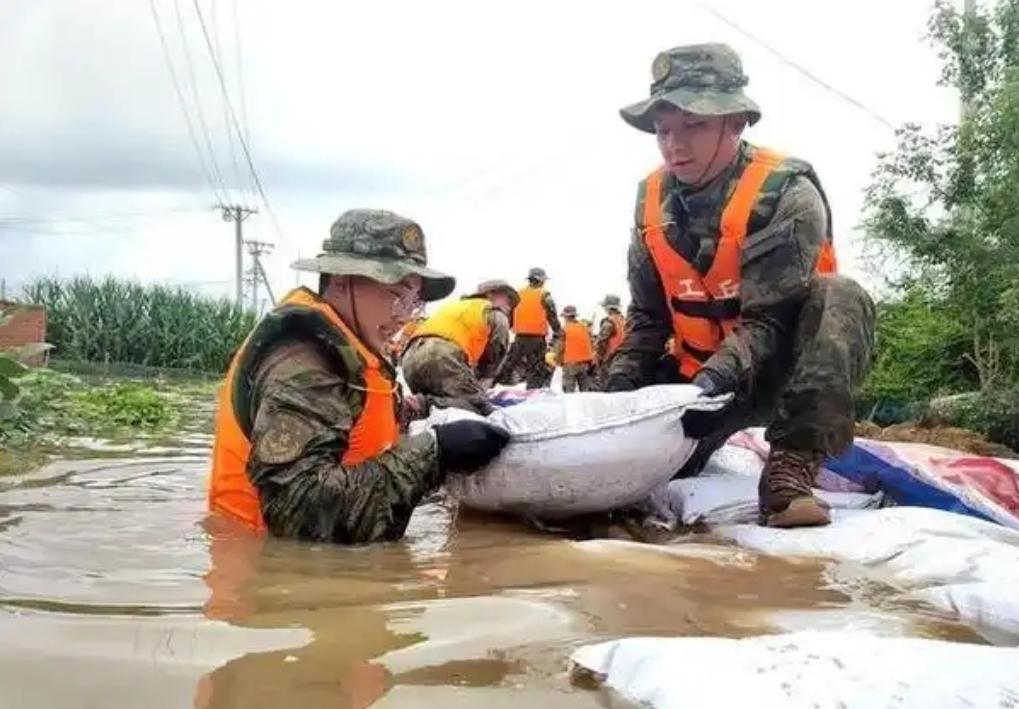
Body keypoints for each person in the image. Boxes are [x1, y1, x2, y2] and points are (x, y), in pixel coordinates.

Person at [608, 43, 876, 528]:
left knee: (840, 295)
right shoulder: (649, 198)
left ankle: (789, 471)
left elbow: (768, 321)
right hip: (695, 378)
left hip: (775, 372)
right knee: (628, 483)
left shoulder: (787, 192)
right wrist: (613, 400)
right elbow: (647, 321)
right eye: (664, 129)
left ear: (735, 123)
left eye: (695, 125)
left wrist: (705, 390)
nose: (675, 145)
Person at [208, 209, 510, 543]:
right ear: (342, 281)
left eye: (414, 300)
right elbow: (302, 513)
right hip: (267, 573)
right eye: (396, 295)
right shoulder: (304, 363)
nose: (403, 316)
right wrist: (435, 453)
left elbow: (359, 421)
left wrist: (427, 409)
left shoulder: (352, 349)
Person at [401, 279, 518, 415]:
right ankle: (415, 405)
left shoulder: (455, 306)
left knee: (441, 401)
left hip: (410, 357)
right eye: (508, 298)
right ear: (490, 294)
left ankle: (410, 410)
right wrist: (485, 381)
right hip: (442, 355)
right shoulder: (494, 312)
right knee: (476, 406)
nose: (510, 305)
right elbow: (497, 351)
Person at [502, 267, 562, 389]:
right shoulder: (544, 295)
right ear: (540, 280)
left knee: (509, 366)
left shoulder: (517, 294)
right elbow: (552, 316)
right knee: (536, 370)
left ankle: (496, 389)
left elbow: (510, 315)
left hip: (519, 338)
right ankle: (532, 393)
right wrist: (558, 332)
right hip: (536, 340)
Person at [557, 305, 596, 393]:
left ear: (566, 317)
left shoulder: (565, 329)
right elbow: (592, 344)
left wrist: (558, 361)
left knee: (569, 393)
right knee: (585, 392)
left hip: (570, 365)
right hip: (585, 364)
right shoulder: (585, 328)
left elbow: (560, 348)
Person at [595, 294, 626, 389]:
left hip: (611, 359)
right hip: (624, 357)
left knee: (606, 386)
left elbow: (602, 342)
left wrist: (599, 359)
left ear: (607, 308)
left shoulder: (609, 322)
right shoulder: (625, 320)